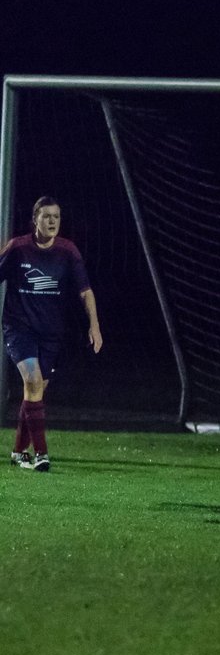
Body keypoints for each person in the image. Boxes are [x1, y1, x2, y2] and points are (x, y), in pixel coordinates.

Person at [0, 196, 103, 472]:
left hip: (51, 334)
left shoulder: (68, 251)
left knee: (35, 393)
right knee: (32, 382)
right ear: (35, 220)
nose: (52, 221)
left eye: (56, 216)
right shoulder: (18, 248)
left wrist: (94, 325)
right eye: (46, 216)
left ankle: (18, 451)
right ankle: (41, 455)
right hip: (19, 329)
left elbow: (85, 291)